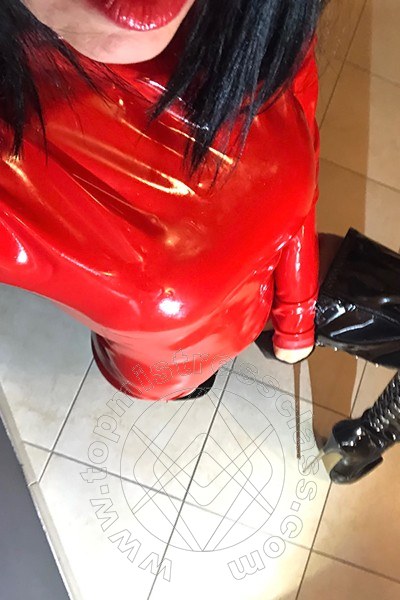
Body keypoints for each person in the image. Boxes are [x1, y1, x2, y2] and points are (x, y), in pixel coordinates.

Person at [0, 0, 327, 400]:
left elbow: (304, 155)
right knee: (163, 378)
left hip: (234, 323)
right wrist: (295, 322)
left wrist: (297, 316)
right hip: (158, 365)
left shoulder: (254, 18)